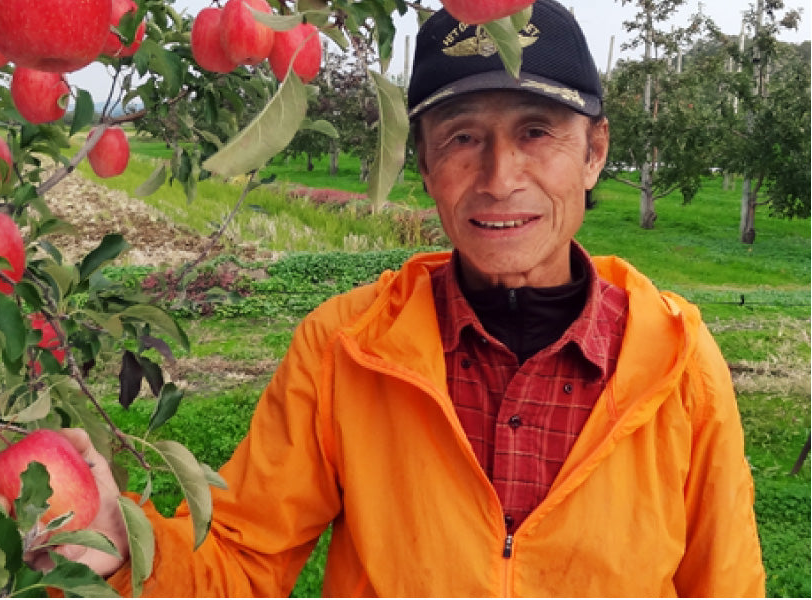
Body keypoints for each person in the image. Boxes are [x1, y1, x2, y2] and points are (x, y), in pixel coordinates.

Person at [51, 0, 767, 595]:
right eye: (462, 137)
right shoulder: (345, 349)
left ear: (595, 151)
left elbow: (726, 584)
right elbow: (240, 558)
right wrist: (125, 548)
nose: (498, 176)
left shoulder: (676, 363)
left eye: (537, 132)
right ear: (423, 162)